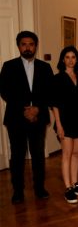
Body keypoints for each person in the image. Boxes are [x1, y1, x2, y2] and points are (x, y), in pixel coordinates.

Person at [0, 30, 54, 204]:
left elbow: (49, 92)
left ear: (35, 46)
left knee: (38, 155)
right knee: (17, 156)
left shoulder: (45, 67)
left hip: (38, 118)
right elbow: (5, 91)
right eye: (24, 44)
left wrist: (37, 109)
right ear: (18, 46)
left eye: (31, 44)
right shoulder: (8, 66)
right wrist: (25, 110)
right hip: (16, 118)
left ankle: (39, 188)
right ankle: (18, 191)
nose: (27, 47)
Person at [51, 46, 78, 204]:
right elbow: (54, 104)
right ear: (63, 60)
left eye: (73, 57)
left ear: (77, 59)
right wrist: (59, 125)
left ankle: (75, 184)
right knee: (67, 154)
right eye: (67, 57)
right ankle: (68, 188)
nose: (70, 60)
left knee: (76, 153)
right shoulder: (57, 78)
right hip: (64, 121)